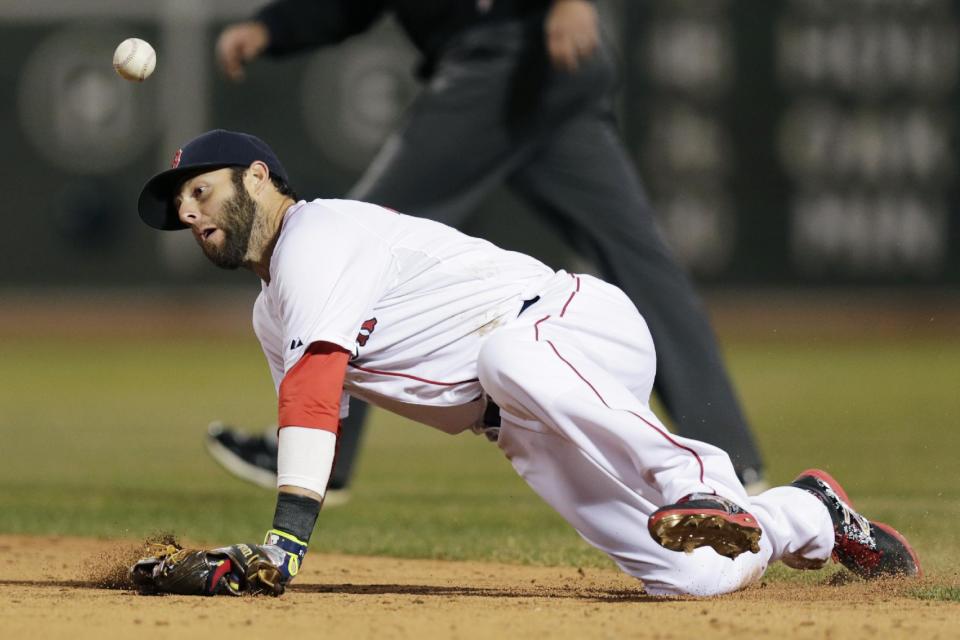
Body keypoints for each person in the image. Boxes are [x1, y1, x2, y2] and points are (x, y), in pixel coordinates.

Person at [134, 129, 920, 597]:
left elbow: (312, 387)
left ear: (260, 178)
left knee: (505, 354)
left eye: (200, 190)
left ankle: (700, 482)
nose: (191, 212)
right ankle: (814, 514)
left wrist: (285, 547)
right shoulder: (271, 310)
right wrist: (274, 532)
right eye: (182, 210)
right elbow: (318, 416)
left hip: (566, 325)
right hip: (520, 417)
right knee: (689, 580)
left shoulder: (316, 236)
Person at [203, 0, 770, 501]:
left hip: (512, 55)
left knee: (339, 240)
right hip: (540, 79)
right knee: (642, 263)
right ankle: (732, 465)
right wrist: (271, 28)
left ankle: (319, 455)